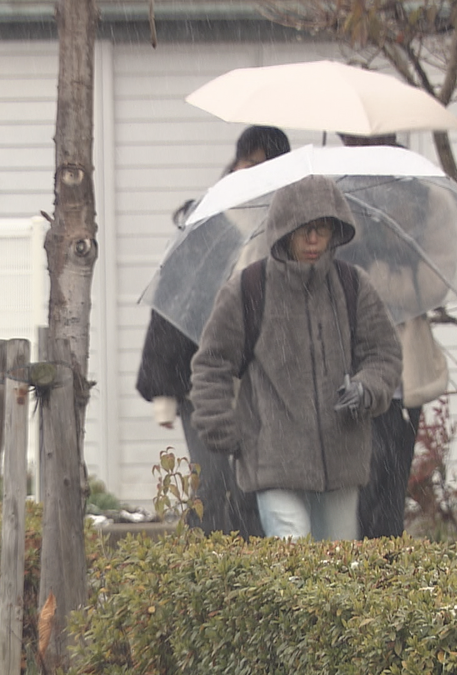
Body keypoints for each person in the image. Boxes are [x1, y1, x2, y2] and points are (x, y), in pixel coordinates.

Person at [188, 175, 402, 541]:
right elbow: (212, 363)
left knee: (337, 569)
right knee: (292, 557)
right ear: (284, 232)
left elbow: (384, 353)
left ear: (336, 231)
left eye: (322, 229)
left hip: (342, 457)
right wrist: (223, 429)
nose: (314, 240)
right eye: (304, 230)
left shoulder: (353, 286)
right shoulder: (248, 289)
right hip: (272, 459)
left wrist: (367, 388)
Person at [136, 125, 290, 536]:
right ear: (237, 162)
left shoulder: (290, 228)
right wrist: (164, 389)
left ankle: (250, 580)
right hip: (202, 378)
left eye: (269, 167)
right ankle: (201, 571)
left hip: (264, 382)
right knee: (217, 484)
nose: (258, 173)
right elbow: (173, 302)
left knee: (259, 487)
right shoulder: (207, 220)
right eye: (252, 163)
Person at [338, 132, 451, 538]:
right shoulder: (340, 193)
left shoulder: (423, 195)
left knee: (390, 487)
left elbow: (434, 282)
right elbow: (340, 282)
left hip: (404, 375)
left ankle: (384, 577)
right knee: (356, 488)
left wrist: (389, 272)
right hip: (353, 370)